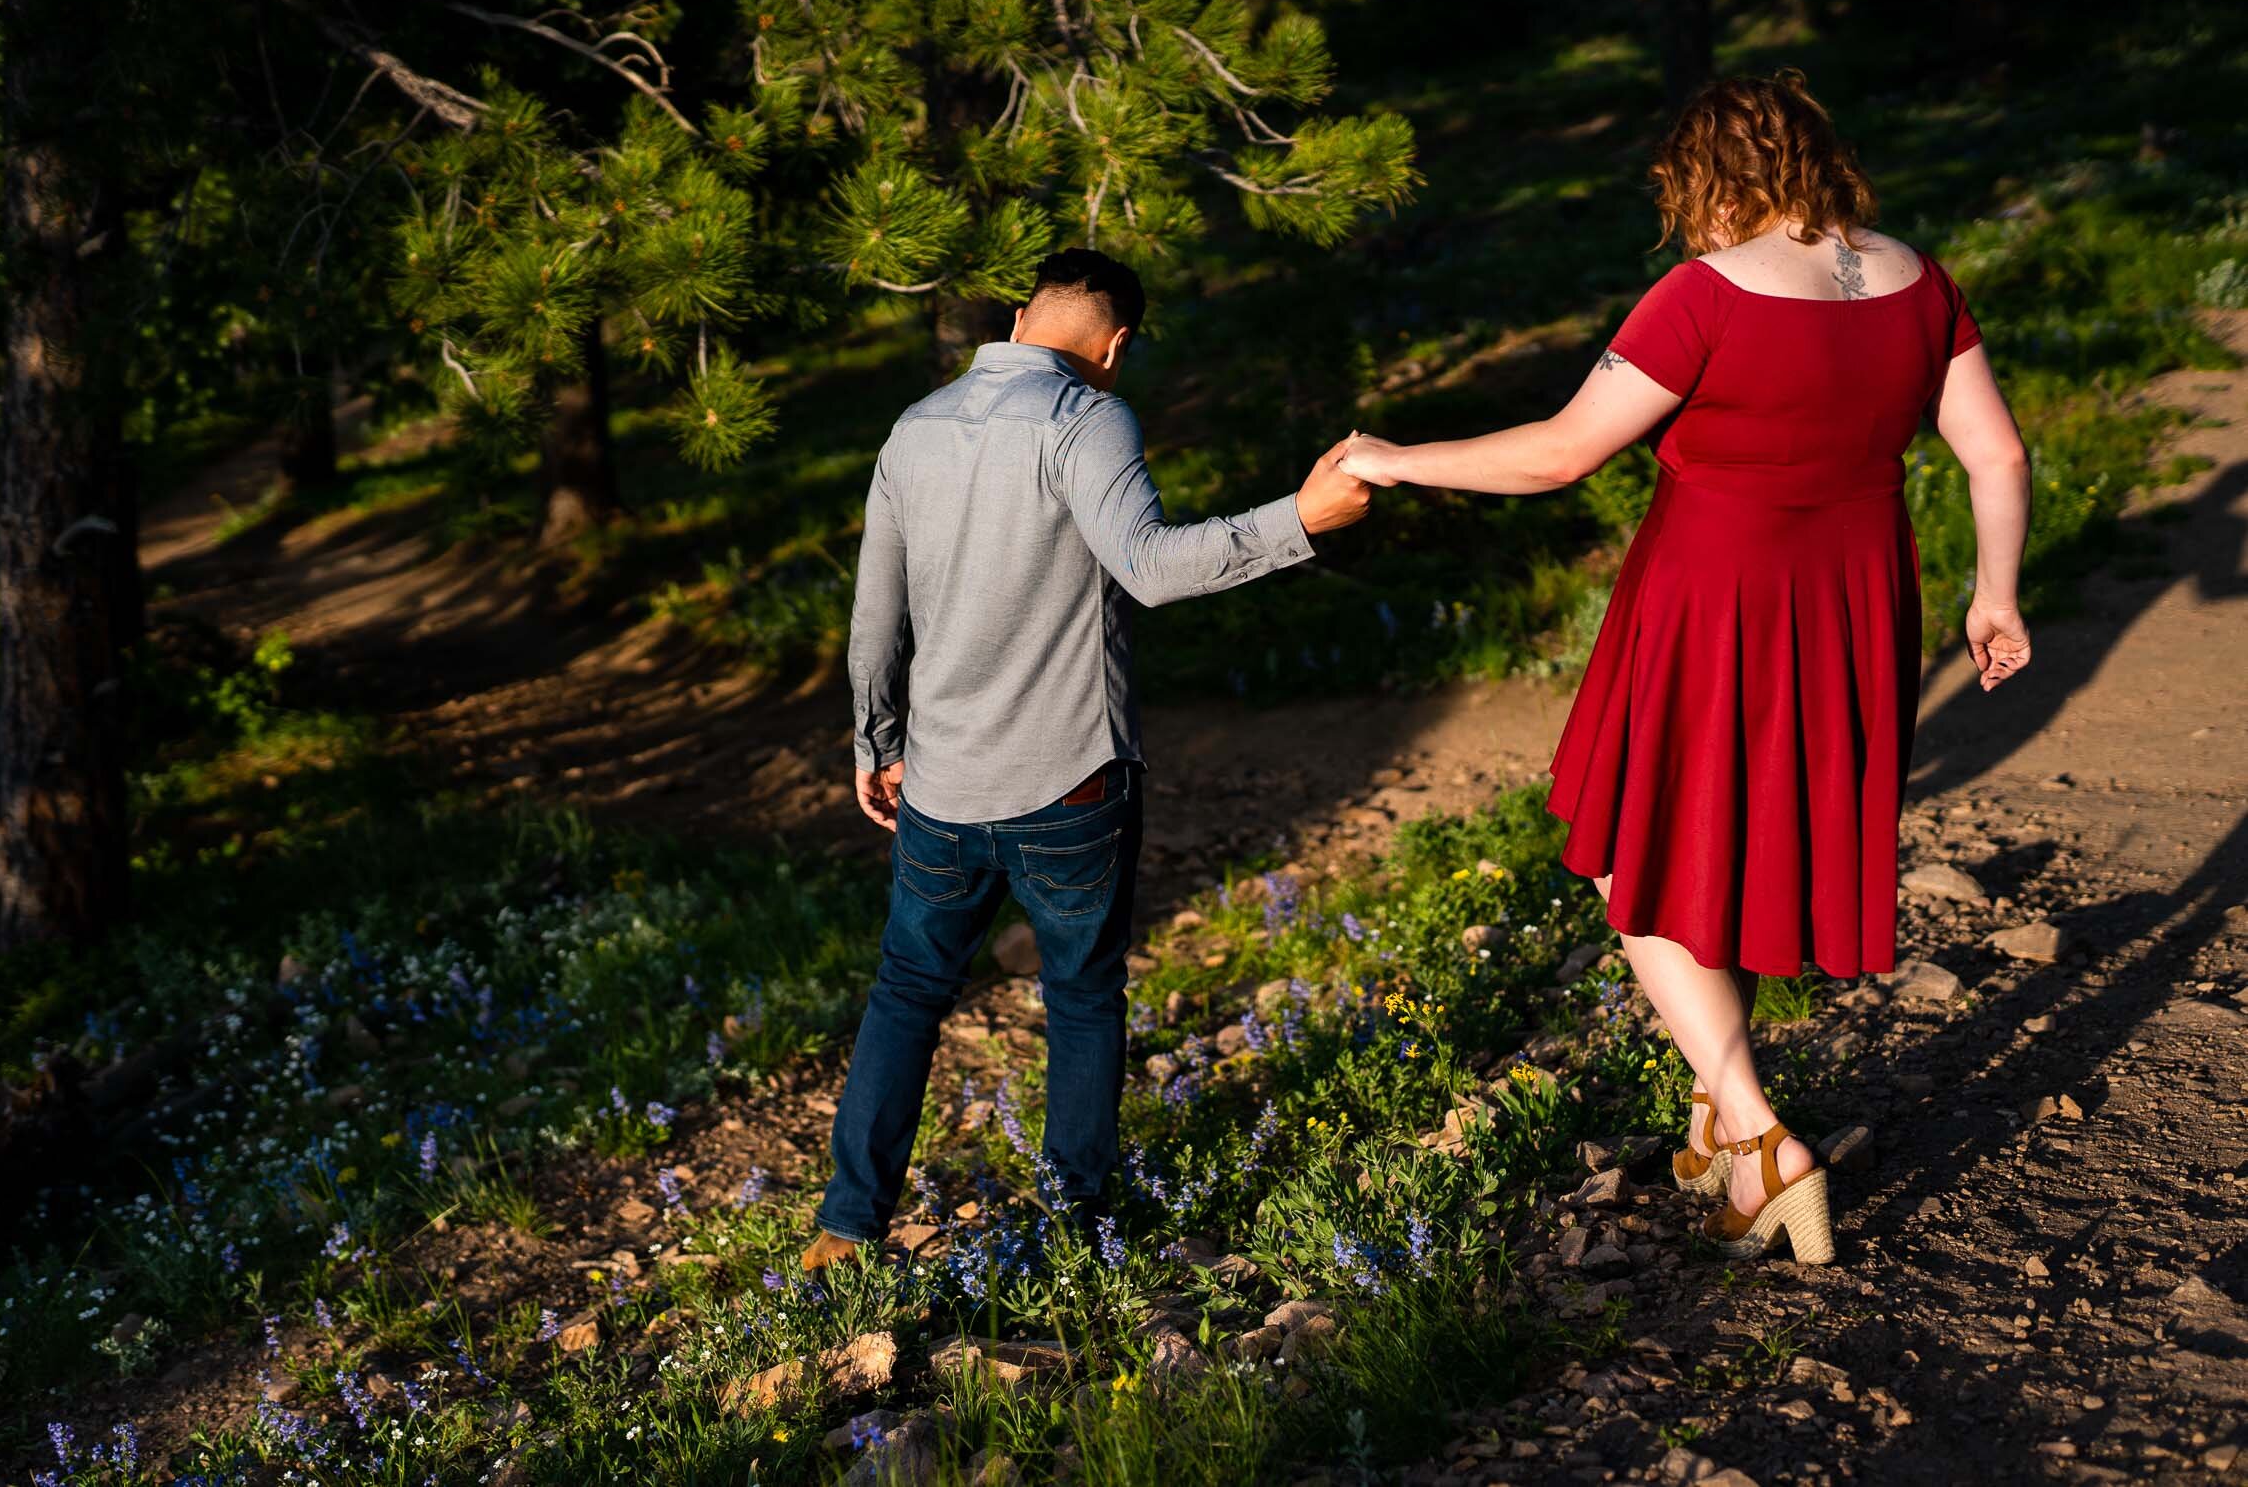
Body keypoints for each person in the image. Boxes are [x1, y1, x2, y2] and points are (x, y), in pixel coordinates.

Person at [1337, 71, 2033, 1264]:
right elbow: (1995, 451)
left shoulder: (1702, 293)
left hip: (1710, 603)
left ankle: (1760, 1138)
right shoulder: (1918, 279)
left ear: (1707, 179)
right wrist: (1994, 593)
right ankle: (1718, 1117)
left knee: (1638, 855)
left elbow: (1559, 456)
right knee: (1739, 851)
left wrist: (1396, 459)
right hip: (1854, 603)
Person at [802, 248, 1372, 1272]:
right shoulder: (1087, 419)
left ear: (1019, 317)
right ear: (1113, 347)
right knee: (1078, 999)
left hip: (937, 784)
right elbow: (1148, 569)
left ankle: (844, 1228)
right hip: (1070, 782)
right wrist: (1301, 521)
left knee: (906, 993)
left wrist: (874, 740)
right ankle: (1076, 1233)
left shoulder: (912, 428)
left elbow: (874, 611)